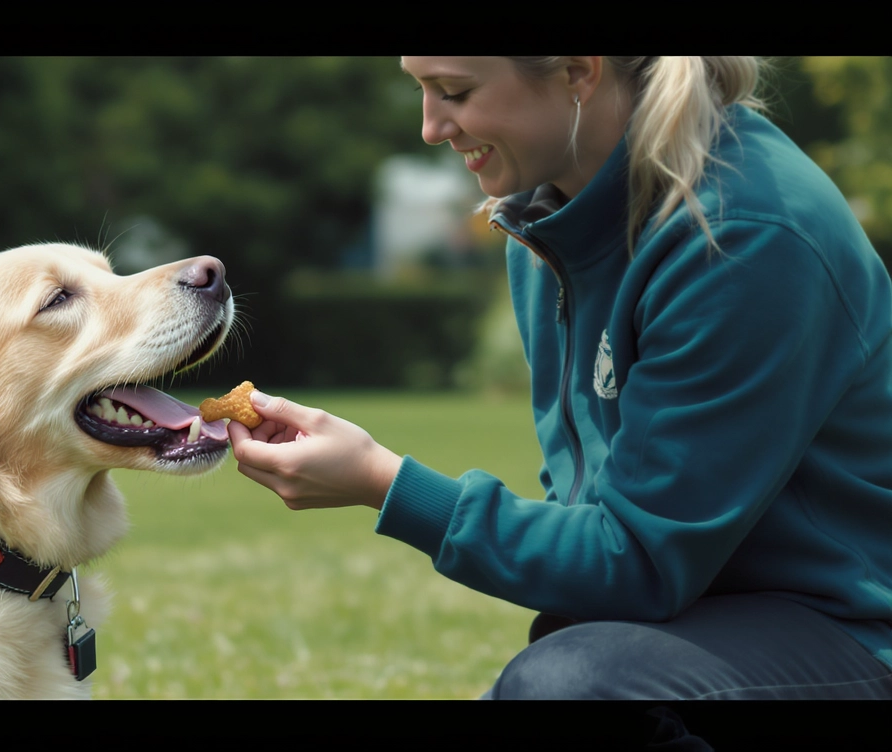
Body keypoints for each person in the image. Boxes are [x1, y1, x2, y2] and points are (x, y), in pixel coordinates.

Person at [228, 56, 892, 700]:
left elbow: (639, 562)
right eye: (420, 89)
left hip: (848, 629)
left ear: (578, 70)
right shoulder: (547, 221)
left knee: (568, 686)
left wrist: (386, 483)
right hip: (698, 623)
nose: (430, 126)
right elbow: (589, 519)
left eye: (454, 91)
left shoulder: (741, 237)